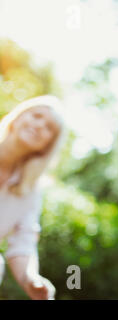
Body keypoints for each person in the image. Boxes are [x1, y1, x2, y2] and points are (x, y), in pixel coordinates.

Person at [0, 95, 64, 299]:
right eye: (36, 116)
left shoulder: (30, 190)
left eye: (49, 129)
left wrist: (30, 278)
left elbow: (23, 242)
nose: (39, 126)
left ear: (47, 145)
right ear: (18, 117)